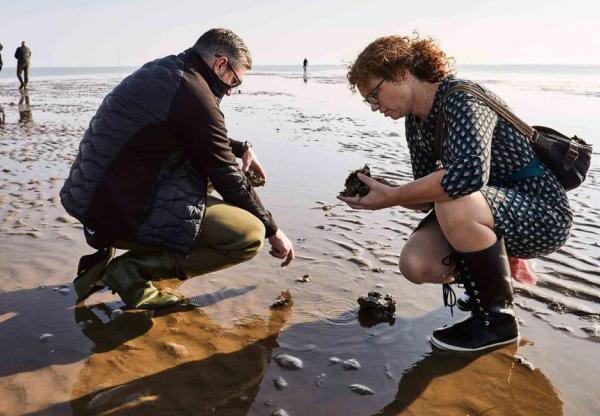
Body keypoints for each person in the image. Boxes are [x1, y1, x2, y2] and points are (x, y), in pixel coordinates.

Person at [339, 35, 572, 352]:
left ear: (402, 73)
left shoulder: (462, 98)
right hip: (484, 209)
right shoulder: (416, 121)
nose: (375, 107)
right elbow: (427, 197)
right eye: (369, 101)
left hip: (542, 212)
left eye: (376, 94)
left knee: (455, 198)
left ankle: (497, 321)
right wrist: (382, 191)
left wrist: (392, 198)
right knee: (416, 263)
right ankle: (487, 281)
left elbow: (467, 176)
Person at [61, 28, 295, 309]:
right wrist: (273, 230)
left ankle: (105, 260)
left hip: (94, 199)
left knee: (201, 176)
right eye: (234, 81)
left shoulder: (168, 72)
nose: (231, 91)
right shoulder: (193, 93)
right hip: (114, 209)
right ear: (220, 64)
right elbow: (227, 176)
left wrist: (241, 148)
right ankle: (132, 271)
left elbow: (190, 131)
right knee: (247, 235)